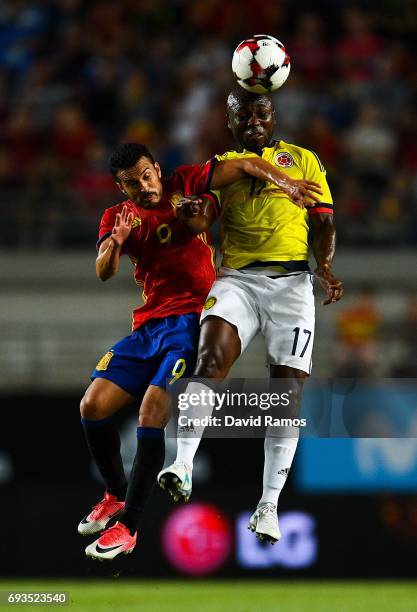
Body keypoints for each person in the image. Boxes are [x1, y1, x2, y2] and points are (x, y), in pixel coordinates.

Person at [79, 141, 322, 561]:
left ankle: (129, 527)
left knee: (152, 410)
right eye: (131, 183)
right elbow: (103, 271)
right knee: (92, 406)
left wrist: (288, 183)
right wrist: (115, 243)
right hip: (148, 324)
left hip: (191, 322)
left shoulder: (186, 182)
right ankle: (115, 494)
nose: (143, 186)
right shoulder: (118, 217)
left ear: (157, 169)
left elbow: (246, 163)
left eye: (146, 175)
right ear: (121, 187)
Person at [159, 88, 344, 544]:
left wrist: (324, 266)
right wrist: (192, 214)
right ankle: (182, 463)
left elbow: (324, 223)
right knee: (209, 363)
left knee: (286, 394)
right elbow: (203, 220)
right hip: (238, 280)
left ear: (273, 115)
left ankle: (268, 505)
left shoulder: (303, 160)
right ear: (231, 121)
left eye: (262, 113)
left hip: (292, 286)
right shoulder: (225, 166)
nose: (254, 121)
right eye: (244, 115)